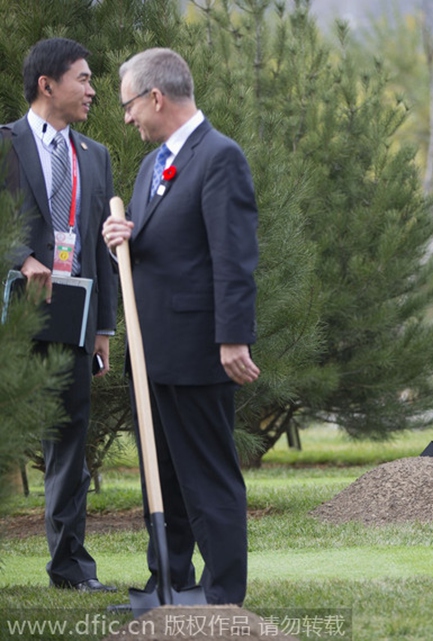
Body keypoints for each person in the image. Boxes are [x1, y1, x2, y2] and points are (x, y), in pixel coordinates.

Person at [102, 48, 260, 605]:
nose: (126, 118)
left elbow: (233, 255)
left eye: (128, 105)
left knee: (207, 477)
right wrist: (127, 237)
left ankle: (222, 597)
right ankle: (167, 584)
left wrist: (232, 336)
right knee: (161, 477)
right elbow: (167, 245)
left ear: (156, 97)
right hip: (152, 352)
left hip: (197, 351)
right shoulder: (152, 166)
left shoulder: (220, 157)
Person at [1, 38, 117, 593]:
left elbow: (100, 252)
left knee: (69, 442)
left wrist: (103, 328)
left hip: (72, 318)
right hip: (11, 317)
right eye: (84, 78)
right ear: (47, 85)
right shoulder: (4, 145)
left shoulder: (96, 157)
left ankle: (70, 570)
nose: (93, 90)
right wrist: (21, 259)